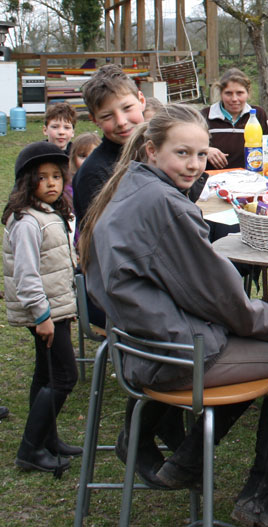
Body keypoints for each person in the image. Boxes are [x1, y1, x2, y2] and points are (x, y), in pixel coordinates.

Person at [77, 104, 268, 527]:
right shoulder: (168, 206)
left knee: (253, 348)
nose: (194, 165)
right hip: (167, 352)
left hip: (136, 341)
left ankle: (173, 452)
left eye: (201, 155)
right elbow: (221, 298)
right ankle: (259, 497)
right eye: (183, 153)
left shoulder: (126, 185)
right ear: (151, 150)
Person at [3, 142, 80, 474]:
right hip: (46, 312)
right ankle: (29, 450)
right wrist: (42, 315)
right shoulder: (26, 221)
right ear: (26, 182)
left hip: (56, 308)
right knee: (65, 376)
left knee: (44, 374)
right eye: (42, 177)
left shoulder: (49, 213)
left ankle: (47, 437)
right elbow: (26, 273)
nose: (52, 183)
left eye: (56, 177)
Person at [73, 64, 146, 242]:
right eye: (107, 116)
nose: (121, 122)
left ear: (141, 100)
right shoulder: (94, 174)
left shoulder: (158, 151)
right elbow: (104, 238)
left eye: (127, 108)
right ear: (94, 120)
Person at [201, 68, 268, 170]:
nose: (234, 99)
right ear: (221, 94)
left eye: (240, 93)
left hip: (250, 178)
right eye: (228, 93)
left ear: (248, 93)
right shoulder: (205, 115)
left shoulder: (259, 114)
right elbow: (189, 148)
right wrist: (205, 150)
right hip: (213, 180)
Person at [66, 132, 100, 205]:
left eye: (93, 155)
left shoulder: (106, 179)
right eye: (82, 156)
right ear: (73, 158)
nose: (88, 161)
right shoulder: (68, 185)